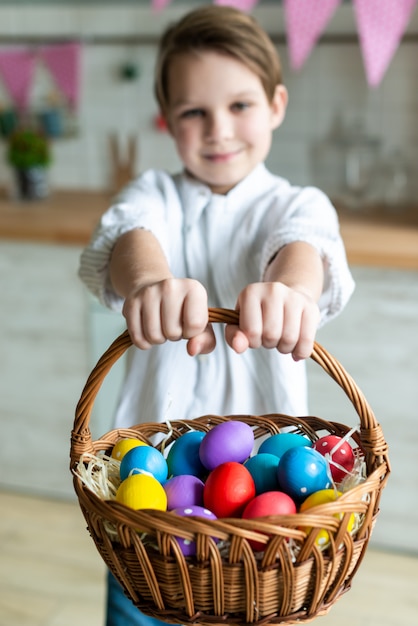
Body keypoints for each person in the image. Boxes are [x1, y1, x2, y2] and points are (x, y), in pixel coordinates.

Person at [79, 5, 355, 626]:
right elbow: (130, 235)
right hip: (149, 503)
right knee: (138, 612)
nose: (219, 129)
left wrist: (289, 288)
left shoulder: (294, 202)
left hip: (266, 505)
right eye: (193, 112)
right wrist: (148, 282)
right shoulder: (155, 192)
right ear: (167, 120)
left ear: (277, 104)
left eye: (240, 106)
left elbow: (302, 246)